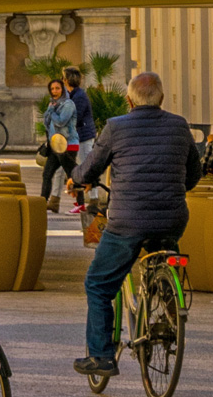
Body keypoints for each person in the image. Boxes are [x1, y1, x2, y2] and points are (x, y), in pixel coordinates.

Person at [71, 72, 201, 378]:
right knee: (164, 246)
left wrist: (76, 178)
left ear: (129, 101)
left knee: (98, 285)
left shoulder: (116, 126)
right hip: (172, 218)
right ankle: (169, 301)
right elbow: (193, 175)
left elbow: (90, 168)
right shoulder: (180, 125)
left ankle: (102, 356)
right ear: (162, 99)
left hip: (127, 221)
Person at [62, 66, 99, 213]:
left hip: (83, 137)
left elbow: (74, 117)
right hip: (78, 137)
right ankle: (82, 202)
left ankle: (93, 200)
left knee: (88, 167)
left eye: (64, 78)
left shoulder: (79, 96)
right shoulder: (73, 95)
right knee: (80, 168)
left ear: (67, 80)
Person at [40, 79, 80, 213]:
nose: (54, 91)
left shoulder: (68, 104)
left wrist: (51, 111)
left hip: (67, 145)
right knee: (47, 174)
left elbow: (61, 122)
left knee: (72, 174)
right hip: (55, 145)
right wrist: (49, 112)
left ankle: (80, 204)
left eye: (57, 88)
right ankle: (41, 202)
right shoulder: (53, 104)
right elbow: (47, 123)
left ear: (62, 89)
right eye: (52, 89)